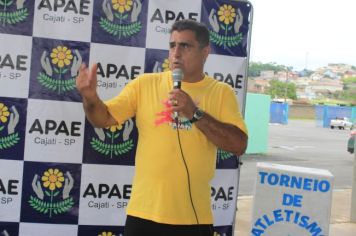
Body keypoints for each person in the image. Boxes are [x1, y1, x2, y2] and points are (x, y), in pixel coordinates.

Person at [76, 19, 248, 236]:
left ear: (205, 52)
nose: (176, 53)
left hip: (193, 217)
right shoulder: (144, 84)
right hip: (144, 214)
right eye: (172, 45)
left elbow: (239, 144)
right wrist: (90, 98)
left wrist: (193, 113)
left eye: (185, 46)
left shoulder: (221, 92)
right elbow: (103, 118)